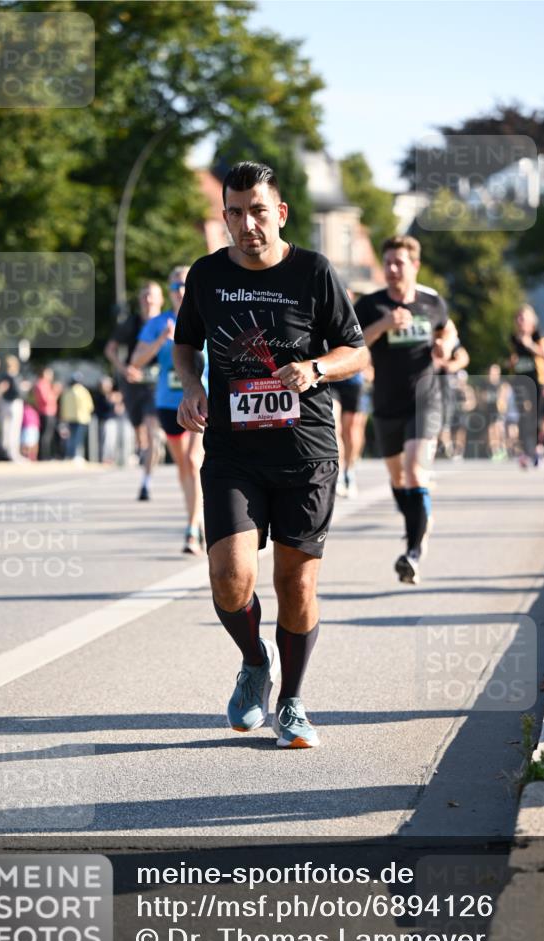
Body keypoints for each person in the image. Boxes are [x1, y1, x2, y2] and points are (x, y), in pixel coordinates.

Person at [174, 161, 368, 749]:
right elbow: (187, 344)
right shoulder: (207, 275)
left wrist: (313, 368)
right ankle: (255, 662)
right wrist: (191, 385)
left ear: (279, 212)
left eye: (257, 210)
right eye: (234, 211)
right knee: (230, 577)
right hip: (234, 449)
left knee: (296, 585)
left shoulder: (314, 270)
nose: (246, 223)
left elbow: (354, 352)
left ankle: (292, 701)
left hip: (306, 450)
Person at [354, 236, 459, 585]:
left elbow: (448, 329)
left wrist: (446, 344)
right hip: (386, 402)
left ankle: (413, 552)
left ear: (415, 266)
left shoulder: (431, 301)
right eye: (388, 263)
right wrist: (383, 326)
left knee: (415, 471)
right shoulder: (371, 305)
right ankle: (419, 521)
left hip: (425, 397)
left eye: (399, 262)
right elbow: (351, 346)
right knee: (398, 478)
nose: (392, 269)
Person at [129, 266, 207, 554]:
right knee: (184, 465)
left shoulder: (205, 316)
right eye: (175, 287)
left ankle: (193, 527)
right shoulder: (158, 323)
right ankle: (195, 519)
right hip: (168, 404)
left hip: (203, 399)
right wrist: (163, 338)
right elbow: (135, 361)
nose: (180, 292)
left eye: (186, 286)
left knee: (194, 457)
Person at [105, 283, 163, 499]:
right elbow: (110, 350)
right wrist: (125, 369)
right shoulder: (131, 323)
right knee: (141, 434)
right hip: (133, 387)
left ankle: (146, 483)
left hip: (157, 386)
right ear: (140, 300)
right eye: (144, 296)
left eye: (152, 296)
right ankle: (146, 449)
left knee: (152, 432)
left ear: (160, 300)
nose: (148, 300)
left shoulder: (167, 322)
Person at [508, 303, 544, 467]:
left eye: (523, 318)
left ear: (531, 320)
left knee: (536, 417)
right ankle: (526, 451)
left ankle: (537, 449)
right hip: (520, 380)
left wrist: (530, 345)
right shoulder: (514, 337)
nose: (520, 321)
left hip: (537, 380)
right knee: (523, 415)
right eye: (518, 318)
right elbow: (514, 357)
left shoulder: (538, 335)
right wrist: (511, 363)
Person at [59, 373, 94, 460]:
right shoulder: (83, 391)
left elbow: (63, 406)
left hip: (69, 418)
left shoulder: (67, 392)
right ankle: (76, 455)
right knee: (78, 438)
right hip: (82, 418)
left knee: (71, 438)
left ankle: (69, 455)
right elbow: (89, 406)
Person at [0, 355, 24, 462]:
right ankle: (12, 453)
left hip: (5, 403)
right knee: (13, 429)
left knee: (6, 429)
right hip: (13, 403)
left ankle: (7, 452)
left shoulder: (3, 376)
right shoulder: (14, 376)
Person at [33, 367, 60, 460]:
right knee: (45, 435)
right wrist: (55, 393)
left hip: (49, 412)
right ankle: (43, 456)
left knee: (48, 435)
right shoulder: (41, 384)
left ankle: (46, 455)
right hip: (45, 412)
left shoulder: (46, 384)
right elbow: (46, 400)